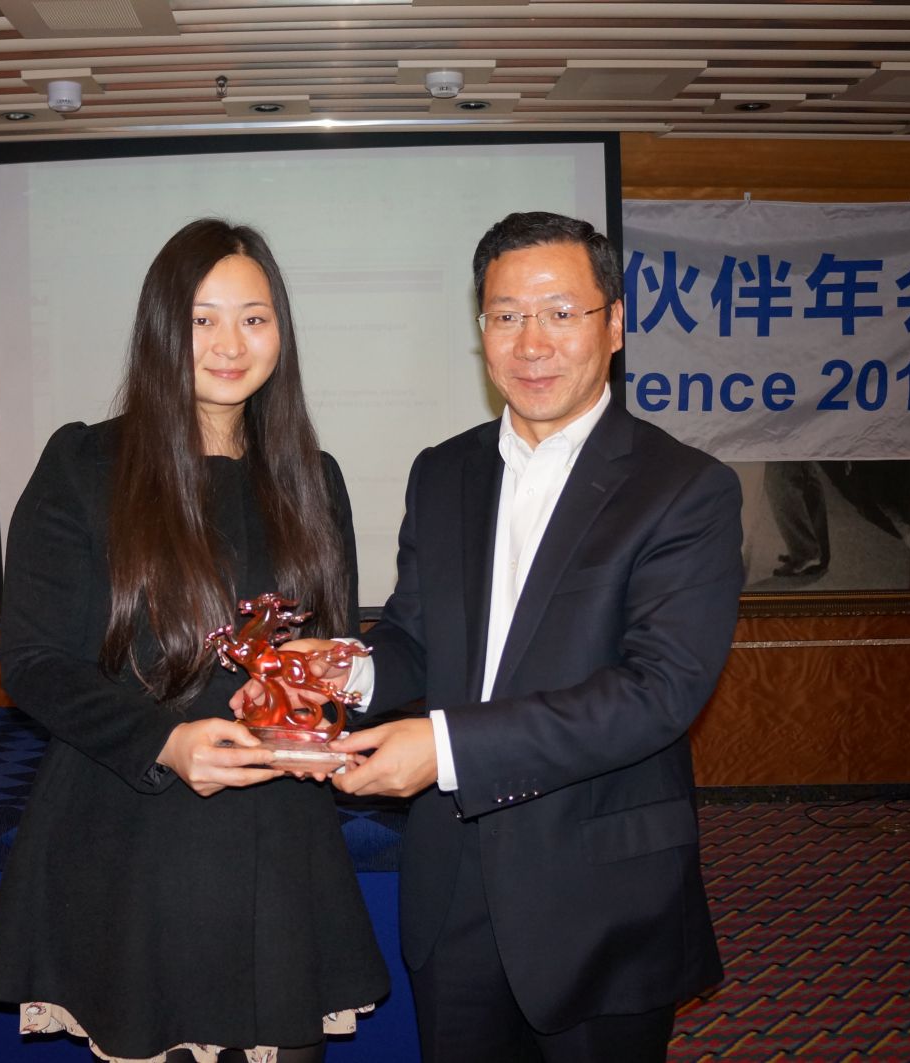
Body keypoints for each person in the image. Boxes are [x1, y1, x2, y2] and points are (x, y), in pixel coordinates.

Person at [260, 212, 744, 1062]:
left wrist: (445, 748)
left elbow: (657, 692)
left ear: (614, 324)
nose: (532, 343)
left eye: (561, 312)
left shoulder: (684, 489)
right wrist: (344, 670)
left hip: (597, 890)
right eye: (506, 315)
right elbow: (415, 638)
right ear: (481, 329)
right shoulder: (442, 470)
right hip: (451, 881)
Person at [0, 219, 388, 1063]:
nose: (231, 344)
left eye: (254, 318)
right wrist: (165, 741)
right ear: (163, 327)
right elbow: (33, 659)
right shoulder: (85, 464)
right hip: (137, 828)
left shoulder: (314, 477)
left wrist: (320, 691)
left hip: (282, 832)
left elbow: (327, 645)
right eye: (203, 319)